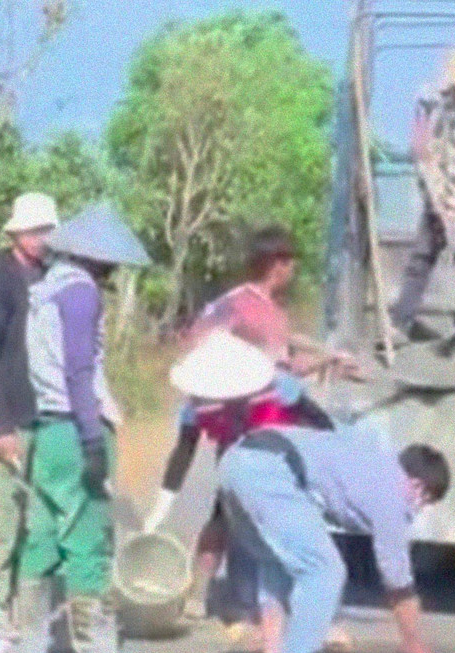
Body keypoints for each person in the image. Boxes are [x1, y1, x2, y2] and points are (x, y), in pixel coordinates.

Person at [143, 226, 352, 622]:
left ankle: (241, 598)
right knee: (229, 506)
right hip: (239, 419)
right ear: (276, 263)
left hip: (270, 420)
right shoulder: (237, 305)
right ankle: (205, 593)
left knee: (249, 507)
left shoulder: (274, 312)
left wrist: (329, 360)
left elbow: (285, 367)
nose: (292, 270)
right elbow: (201, 344)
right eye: (289, 262)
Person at [218, 422, 448, 653]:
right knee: (324, 571)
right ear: (417, 485)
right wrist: (416, 648)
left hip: (237, 462)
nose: (419, 509)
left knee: (276, 564)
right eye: (426, 501)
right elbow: (398, 584)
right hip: (272, 473)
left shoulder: (373, 459)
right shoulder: (393, 495)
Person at [16, 202, 152, 653]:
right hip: (76, 428)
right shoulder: (80, 293)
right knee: (89, 541)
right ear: (98, 259)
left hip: (46, 428)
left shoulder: (43, 290)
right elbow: (79, 371)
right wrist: (94, 440)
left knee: (43, 539)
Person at [0, 192, 58, 637]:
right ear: (16, 232)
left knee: (35, 515)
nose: (40, 238)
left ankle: (26, 604)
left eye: (46, 230)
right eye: (33, 230)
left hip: (38, 407)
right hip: (1, 413)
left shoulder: (48, 276)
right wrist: (1, 425)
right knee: (1, 514)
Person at [390, 45, 455, 358]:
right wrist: (438, 199)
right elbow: (426, 157)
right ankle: (401, 321)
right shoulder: (439, 111)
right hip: (438, 199)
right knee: (421, 259)